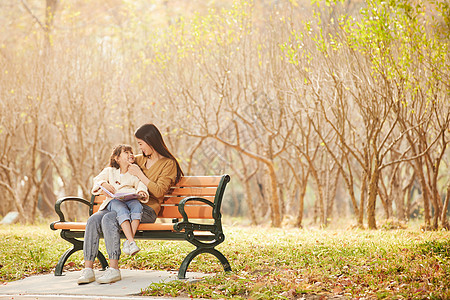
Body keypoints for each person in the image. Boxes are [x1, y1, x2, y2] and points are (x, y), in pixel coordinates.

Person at [77, 124, 184, 285]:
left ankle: (113, 269)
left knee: (108, 219)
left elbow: (160, 191)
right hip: (120, 206)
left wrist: (140, 174)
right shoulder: (138, 160)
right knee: (93, 220)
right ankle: (88, 269)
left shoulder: (169, 164)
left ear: (150, 141)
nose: (138, 148)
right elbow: (111, 171)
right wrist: (104, 184)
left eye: (140, 143)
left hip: (144, 209)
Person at [91, 144, 148, 257]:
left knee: (137, 206)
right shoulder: (109, 171)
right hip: (115, 200)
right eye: (126, 152)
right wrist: (104, 183)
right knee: (120, 208)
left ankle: (128, 241)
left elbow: (141, 183)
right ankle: (131, 241)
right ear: (117, 158)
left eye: (131, 152)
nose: (130, 154)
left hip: (130, 199)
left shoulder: (134, 171)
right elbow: (96, 180)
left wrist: (142, 192)